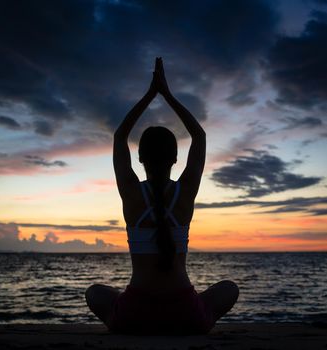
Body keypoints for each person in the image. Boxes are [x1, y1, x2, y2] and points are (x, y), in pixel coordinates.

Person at [85, 57, 239, 335]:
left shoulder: (131, 194)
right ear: (175, 158)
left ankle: (122, 324)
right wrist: (167, 94)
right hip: (185, 314)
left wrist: (149, 95)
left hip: (134, 314)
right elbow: (199, 136)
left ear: (140, 157)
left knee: (95, 292)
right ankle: (198, 320)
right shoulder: (185, 191)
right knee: (228, 289)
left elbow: (120, 137)